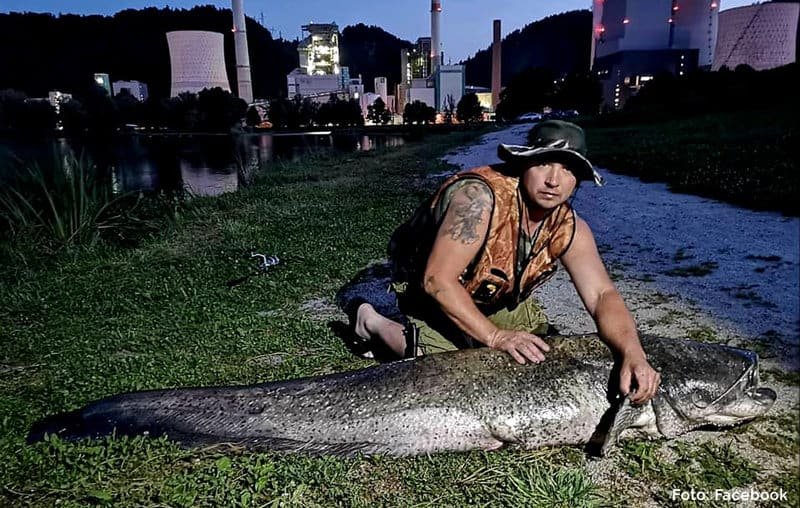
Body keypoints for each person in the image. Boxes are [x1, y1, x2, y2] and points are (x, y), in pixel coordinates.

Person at [345, 120, 661, 405]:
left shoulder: (569, 227)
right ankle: (371, 320)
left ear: (578, 179)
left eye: (567, 169)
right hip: (428, 287)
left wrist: (632, 351)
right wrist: (496, 337)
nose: (553, 180)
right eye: (543, 163)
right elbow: (437, 280)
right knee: (450, 368)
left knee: (543, 353)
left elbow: (602, 295)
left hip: (490, 291)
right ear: (523, 164)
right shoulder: (478, 199)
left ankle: (482, 325)